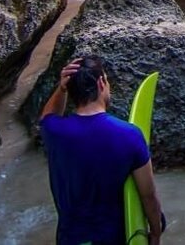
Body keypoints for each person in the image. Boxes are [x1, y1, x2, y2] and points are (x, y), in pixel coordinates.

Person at [40, 56, 164, 245]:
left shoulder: (54, 132)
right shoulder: (129, 135)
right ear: (101, 82)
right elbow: (148, 195)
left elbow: (47, 115)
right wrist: (155, 233)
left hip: (69, 239)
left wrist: (61, 88)